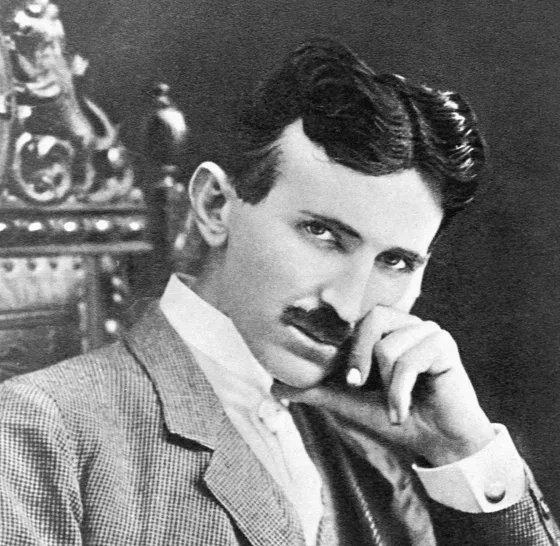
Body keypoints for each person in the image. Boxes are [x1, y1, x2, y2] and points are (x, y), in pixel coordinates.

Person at [0, 38, 558, 546]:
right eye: (322, 234)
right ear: (214, 206)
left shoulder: (394, 443)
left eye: (395, 262)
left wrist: (460, 450)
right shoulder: (40, 430)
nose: (347, 305)